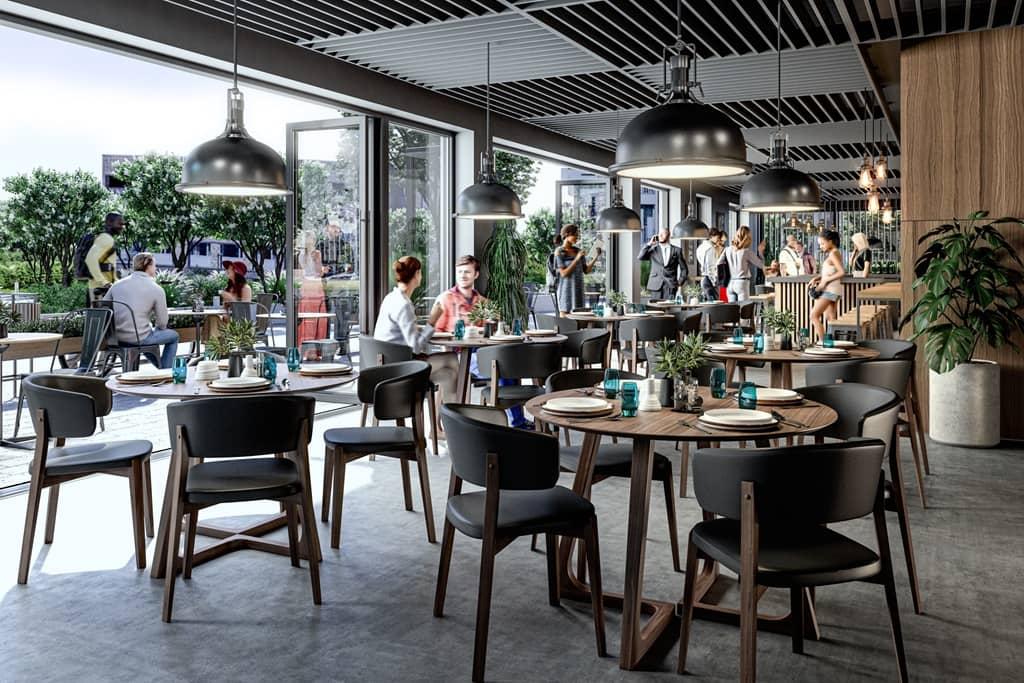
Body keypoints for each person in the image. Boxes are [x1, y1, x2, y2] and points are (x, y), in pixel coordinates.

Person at [427, 254, 526, 427]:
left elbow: (494, 329)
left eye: (467, 272)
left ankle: (511, 420)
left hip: (481, 353)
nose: (463, 275)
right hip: (456, 356)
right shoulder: (445, 299)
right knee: (500, 366)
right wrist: (457, 333)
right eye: (459, 272)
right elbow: (434, 332)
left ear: (476, 275)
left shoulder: (483, 302)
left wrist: (494, 324)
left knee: (506, 364)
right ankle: (514, 421)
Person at [375, 256, 460, 423]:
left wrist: (420, 328)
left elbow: (400, 332)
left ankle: (444, 424)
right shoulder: (404, 304)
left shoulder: (391, 298)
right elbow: (415, 347)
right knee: (451, 359)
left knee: (448, 374)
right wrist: (432, 322)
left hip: (383, 364)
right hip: (400, 370)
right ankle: (453, 423)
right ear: (417, 274)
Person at [103, 252, 178, 369]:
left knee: (147, 335)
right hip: (139, 338)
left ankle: (162, 367)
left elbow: (104, 307)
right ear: (148, 266)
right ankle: (165, 371)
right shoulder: (156, 289)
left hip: (116, 338)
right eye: (154, 265)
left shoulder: (117, 285)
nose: (156, 268)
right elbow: (163, 323)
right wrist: (157, 327)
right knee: (173, 336)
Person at [554, 224, 600, 316]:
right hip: (566, 292)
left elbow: (586, 270)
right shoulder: (559, 251)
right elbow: (563, 274)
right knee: (565, 325)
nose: (577, 237)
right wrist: (577, 258)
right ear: (567, 234)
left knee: (579, 322)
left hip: (579, 291)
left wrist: (596, 257)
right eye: (575, 235)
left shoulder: (578, 251)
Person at [810, 230, 846, 340]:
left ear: (830, 242)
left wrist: (825, 281)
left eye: (822, 243)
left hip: (830, 290)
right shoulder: (835, 252)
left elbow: (841, 272)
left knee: (814, 316)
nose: (821, 246)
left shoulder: (833, 253)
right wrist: (818, 278)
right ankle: (831, 344)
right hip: (834, 290)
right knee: (830, 318)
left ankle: (823, 344)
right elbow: (832, 272)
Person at [83, 212, 125, 305]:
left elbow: (107, 265)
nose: (122, 226)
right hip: (99, 290)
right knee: (100, 318)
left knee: (104, 318)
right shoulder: (105, 239)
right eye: (120, 223)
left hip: (102, 289)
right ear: (109, 223)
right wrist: (104, 282)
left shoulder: (106, 238)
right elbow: (90, 260)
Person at [717, 225, 766, 302]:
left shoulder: (727, 249)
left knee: (733, 311)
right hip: (742, 283)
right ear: (747, 238)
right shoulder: (746, 252)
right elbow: (760, 265)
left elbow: (719, 262)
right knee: (743, 310)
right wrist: (761, 252)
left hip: (730, 283)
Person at [638, 226, 686, 300]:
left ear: (668, 235)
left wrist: (680, 282)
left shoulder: (677, 250)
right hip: (655, 284)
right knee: (656, 308)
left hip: (671, 285)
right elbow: (640, 257)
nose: (660, 235)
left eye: (663, 233)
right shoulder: (653, 249)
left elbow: (684, 269)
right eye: (659, 234)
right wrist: (649, 244)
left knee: (669, 308)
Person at [297, 229, 327, 349]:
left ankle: (304, 348)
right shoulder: (316, 253)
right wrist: (323, 269)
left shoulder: (301, 254)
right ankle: (314, 350)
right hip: (315, 286)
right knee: (318, 318)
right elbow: (319, 272)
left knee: (306, 318)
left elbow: (303, 272)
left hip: (305, 285)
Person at [696, 227, 726, 301]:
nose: (718, 239)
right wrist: (714, 282)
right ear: (711, 236)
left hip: (703, 278)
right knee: (714, 304)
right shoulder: (710, 248)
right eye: (717, 237)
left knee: (707, 304)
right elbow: (710, 266)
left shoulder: (700, 247)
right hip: (709, 279)